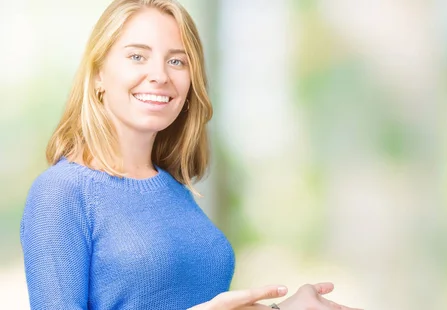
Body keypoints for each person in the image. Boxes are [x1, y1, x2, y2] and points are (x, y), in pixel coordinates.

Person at [19, 0, 361, 309]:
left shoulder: (174, 189)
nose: (159, 75)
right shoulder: (61, 192)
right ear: (98, 76)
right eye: (137, 56)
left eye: (177, 61)